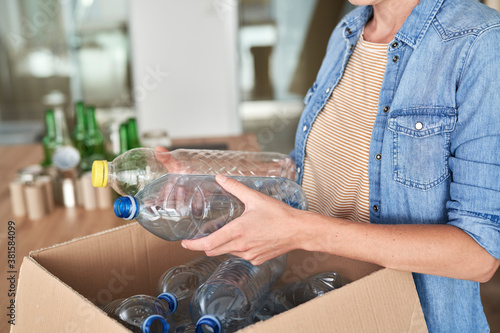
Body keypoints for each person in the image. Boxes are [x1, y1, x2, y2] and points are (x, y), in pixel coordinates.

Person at [181, 0, 500, 331]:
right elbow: (315, 168)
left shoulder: (480, 41)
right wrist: (206, 175)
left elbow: (479, 256)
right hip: (320, 305)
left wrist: (302, 231)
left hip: (408, 320)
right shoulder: (348, 31)